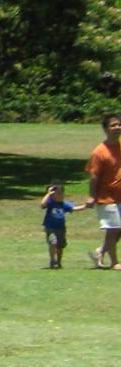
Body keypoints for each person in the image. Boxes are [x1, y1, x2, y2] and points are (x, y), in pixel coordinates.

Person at [84, 114, 121, 269]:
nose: (117, 127)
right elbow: (94, 176)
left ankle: (99, 251)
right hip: (106, 198)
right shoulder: (99, 151)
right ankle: (114, 262)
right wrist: (92, 196)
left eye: (119, 125)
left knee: (118, 230)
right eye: (113, 125)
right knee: (114, 229)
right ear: (106, 129)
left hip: (120, 197)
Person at [40, 183, 82, 269]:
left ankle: (58, 262)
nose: (61, 195)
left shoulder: (64, 204)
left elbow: (74, 208)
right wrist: (48, 194)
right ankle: (52, 260)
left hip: (61, 229)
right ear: (52, 195)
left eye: (62, 193)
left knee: (60, 246)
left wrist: (86, 206)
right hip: (50, 228)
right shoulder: (50, 203)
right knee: (53, 242)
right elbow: (42, 205)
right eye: (58, 193)